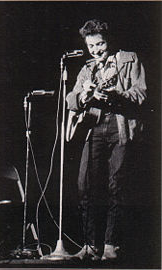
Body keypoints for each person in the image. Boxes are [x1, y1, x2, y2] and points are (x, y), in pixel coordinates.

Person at [66, 19, 147, 261]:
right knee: (85, 185)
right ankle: (90, 245)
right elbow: (70, 100)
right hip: (94, 128)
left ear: (108, 40)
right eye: (91, 46)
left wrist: (117, 94)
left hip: (120, 126)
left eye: (99, 44)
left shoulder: (129, 59)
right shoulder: (88, 68)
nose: (96, 50)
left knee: (116, 186)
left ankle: (111, 245)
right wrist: (85, 93)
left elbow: (141, 92)